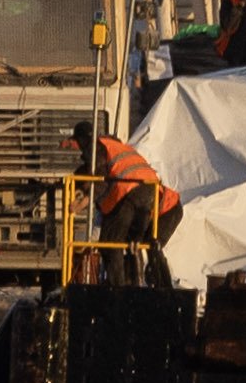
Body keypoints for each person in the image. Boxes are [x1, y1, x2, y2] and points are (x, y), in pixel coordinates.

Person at [69, 124, 183, 290]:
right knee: (133, 243)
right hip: (146, 190)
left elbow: (100, 178)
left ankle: (120, 290)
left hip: (146, 198)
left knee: (114, 241)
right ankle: (138, 285)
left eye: (84, 187)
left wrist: (81, 203)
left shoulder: (96, 148)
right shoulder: (116, 147)